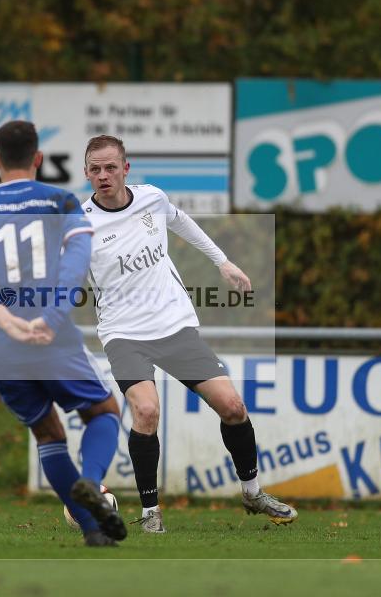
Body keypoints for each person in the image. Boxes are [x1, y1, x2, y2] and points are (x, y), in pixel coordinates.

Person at [76, 134, 298, 533]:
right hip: (123, 333)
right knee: (146, 411)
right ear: (86, 173)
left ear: (126, 168)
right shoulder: (79, 224)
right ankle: (150, 515)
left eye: (111, 167)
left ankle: (252, 492)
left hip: (174, 325)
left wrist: (223, 263)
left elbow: (182, 223)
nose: (103, 175)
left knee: (233, 407)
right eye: (95, 169)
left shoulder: (152, 199)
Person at [0, 121, 126, 547]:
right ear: (38, 159)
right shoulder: (60, 200)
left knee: (47, 433)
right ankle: (91, 482)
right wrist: (52, 315)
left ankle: (92, 531)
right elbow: (76, 261)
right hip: (53, 334)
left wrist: (3, 318)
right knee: (104, 412)